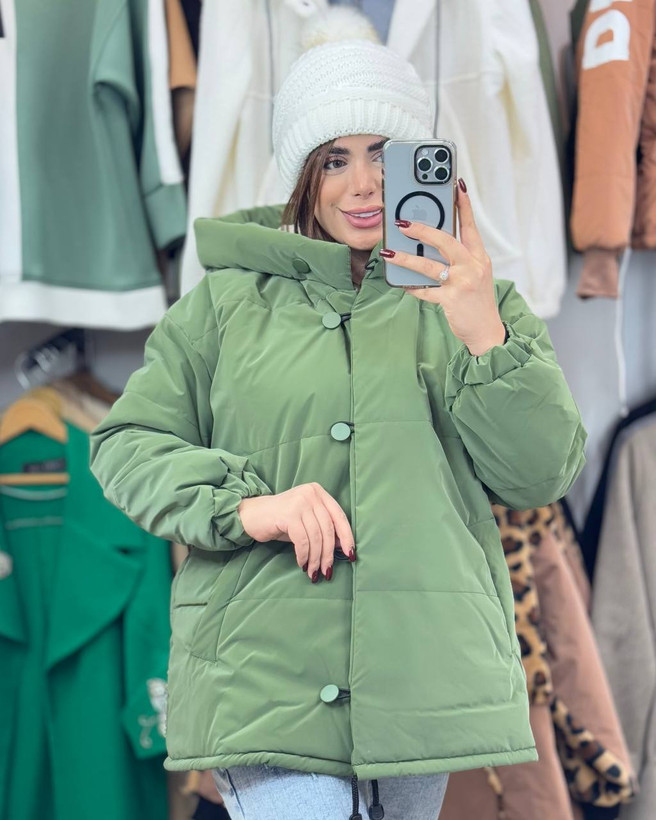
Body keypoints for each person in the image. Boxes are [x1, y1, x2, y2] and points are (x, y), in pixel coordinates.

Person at [89, 12, 588, 820]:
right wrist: (247, 505)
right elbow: (125, 445)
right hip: (261, 673)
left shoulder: (479, 305)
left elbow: (540, 474)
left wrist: (483, 336)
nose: (363, 186)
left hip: (422, 676)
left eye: (385, 156)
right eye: (335, 159)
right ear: (302, 174)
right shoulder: (223, 304)